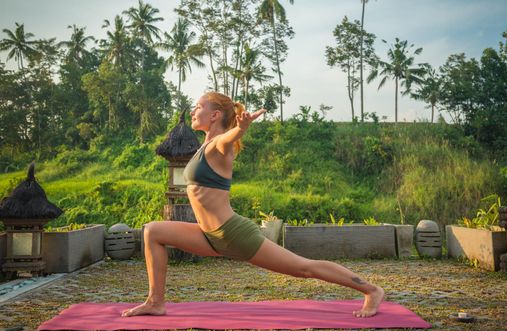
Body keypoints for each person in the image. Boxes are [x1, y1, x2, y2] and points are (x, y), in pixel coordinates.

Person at [121, 91, 384, 318]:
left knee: (304, 268)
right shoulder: (203, 146)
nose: (193, 110)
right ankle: (155, 302)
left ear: (214, 115)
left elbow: (228, 138)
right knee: (153, 231)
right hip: (207, 235)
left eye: (199, 106)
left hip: (233, 234)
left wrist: (241, 128)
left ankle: (371, 290)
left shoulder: (220, 145)